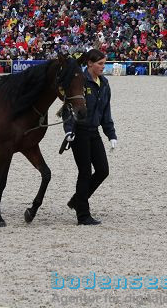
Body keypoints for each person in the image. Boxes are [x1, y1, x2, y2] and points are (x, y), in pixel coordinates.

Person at [64, 49, 117, 225]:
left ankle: (77, 199)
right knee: (85, 172)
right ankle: (83, 215)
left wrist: (111, 134)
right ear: (89, 64)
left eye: (104, 63)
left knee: (103, 170)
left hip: (94, 132)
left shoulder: (104, 84)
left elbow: (106, 112)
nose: (103, 66)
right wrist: (68, 130)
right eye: (100, 63)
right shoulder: (79, 82)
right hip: (79, 132)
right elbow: (69, 108)